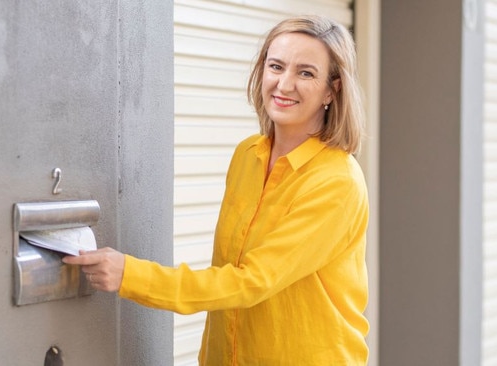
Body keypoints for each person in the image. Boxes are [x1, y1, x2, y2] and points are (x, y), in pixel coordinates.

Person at [64, 14, 369, 365]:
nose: (284, 84)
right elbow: (227, 271)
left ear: (333, 89)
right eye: (276, 66)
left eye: (305, 73)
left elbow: (252, 281)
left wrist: (130, 275)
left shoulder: (336, 182)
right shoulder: (248, 156)